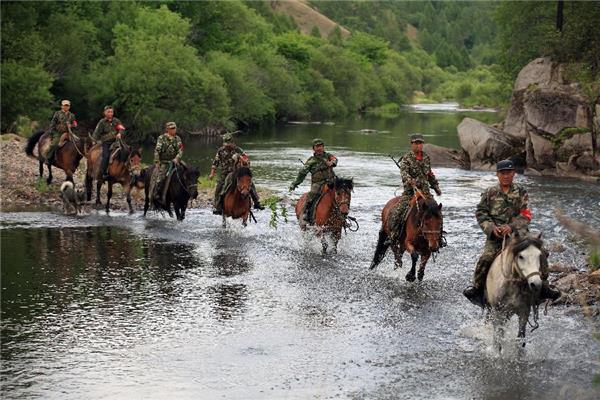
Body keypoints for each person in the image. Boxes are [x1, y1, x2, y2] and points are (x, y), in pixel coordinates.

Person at [463, 159, 561, 306]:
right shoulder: (490, 192)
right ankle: (477, 289)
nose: (506, 176)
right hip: (496, 237)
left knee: (542, 252)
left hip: (520, 235)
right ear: (497, 174)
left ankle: (545, 286)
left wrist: (512, 226)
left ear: (514, 173)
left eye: (509, 172)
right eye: (503, 173)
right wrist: (491, 229)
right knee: (486, 258)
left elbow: (526, 214)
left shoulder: (521, 192)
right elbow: (481, 213)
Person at [386, 133, 441, 245]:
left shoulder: (426, 157)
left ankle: (438, 237)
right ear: (412, 144)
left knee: (437, 212)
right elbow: (404, 173)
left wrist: (435, 187)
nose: (419, 145)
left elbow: (429, 174)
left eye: (420, 143)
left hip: (425, 193)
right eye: (416, 143)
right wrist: (410, 180)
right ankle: (393, 235)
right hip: (411, 192)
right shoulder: (406, 158)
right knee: (398, 211)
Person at [209, 132, 264, 214]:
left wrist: (243, 159)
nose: (227, 145)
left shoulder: (238, 150)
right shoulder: (220, 151)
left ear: (232, 142)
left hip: (238, 173)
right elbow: (215, 163)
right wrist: (212, 173)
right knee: (219, 188)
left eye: (229, 143)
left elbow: (247, 161)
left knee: (250, 184)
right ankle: (218, 206)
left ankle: (256, 202)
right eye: (226, 143)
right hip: (225, 173)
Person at [289, 138, 338, 226]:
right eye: (317, 146)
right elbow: (302, 173)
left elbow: (335, 160)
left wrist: (332, 163)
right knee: (312, 194)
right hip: (318, 183)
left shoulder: (329, 156)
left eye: (320, 146)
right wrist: (295, 184)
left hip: (331, 181)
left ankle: (343, 215)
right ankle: (305, 214)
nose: (319, 148)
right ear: (313, 148)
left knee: (343, 191)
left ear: (323, 147)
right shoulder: (311, 161)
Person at [149, 121, 183, 206]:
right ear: (167, 129)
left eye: (174, 128)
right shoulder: (161, 138)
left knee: (186, 172)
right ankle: (156, 195)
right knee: (160, 178)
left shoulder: (177, 138)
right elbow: (157, 150)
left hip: (175, 161)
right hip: (164, 162)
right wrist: (157, 161)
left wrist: (177, 158)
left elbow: (181, 150)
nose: (173, 130)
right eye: (171, 128)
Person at [92, 106, 125, 179]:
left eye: (111, 112)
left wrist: (120, 133)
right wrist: (94, 141)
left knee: (125, 151)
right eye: (108, 112)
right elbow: (96, 133)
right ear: (105, 113)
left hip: (116, 142)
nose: (110, 113)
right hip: (106, 143)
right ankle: (104, 173)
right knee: (106, 156)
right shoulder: (102, 122)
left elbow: (122, 128)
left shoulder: (116, 121)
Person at [46, 100, 78, 165]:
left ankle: (74, 160)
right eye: (64, 105)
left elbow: (75, 124)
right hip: (58, 132)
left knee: (78, 143)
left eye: (67, 106)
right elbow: (52, 123)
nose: (66, 107)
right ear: (62, 106)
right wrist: (52, 133)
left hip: (68, 132)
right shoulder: (57, 113)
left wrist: (72, 125)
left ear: (69, 107)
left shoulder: (72, 115)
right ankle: (48, 158)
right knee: (54, 144)